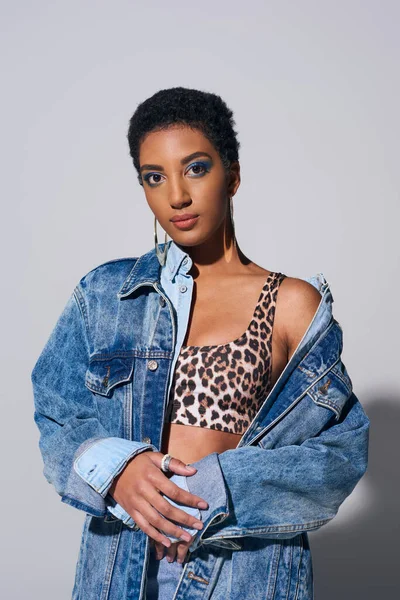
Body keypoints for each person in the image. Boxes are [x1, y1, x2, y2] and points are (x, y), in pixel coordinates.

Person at [31, 87, 370, 600]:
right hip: (120, 570)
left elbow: (342, 453)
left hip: (240, 575)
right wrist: (114, 470)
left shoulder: (289, 303)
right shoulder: (106, 294)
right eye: (154, 176)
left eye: (195, 168)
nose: (176, 196)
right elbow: (56, 413)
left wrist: (220, 485)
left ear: (232, 175)